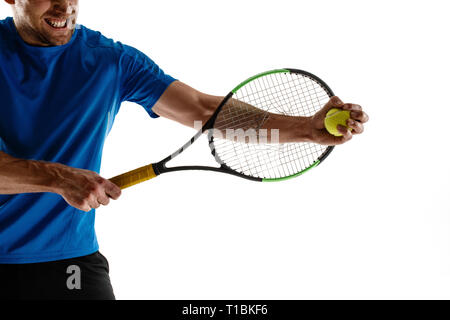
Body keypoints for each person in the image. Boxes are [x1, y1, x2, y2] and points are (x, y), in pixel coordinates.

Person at [0, 0, 369, 300]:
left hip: (69, 262)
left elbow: (204, 110)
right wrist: (59, 177)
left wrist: (305, 128)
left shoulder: (109, 60)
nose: (64, 6)